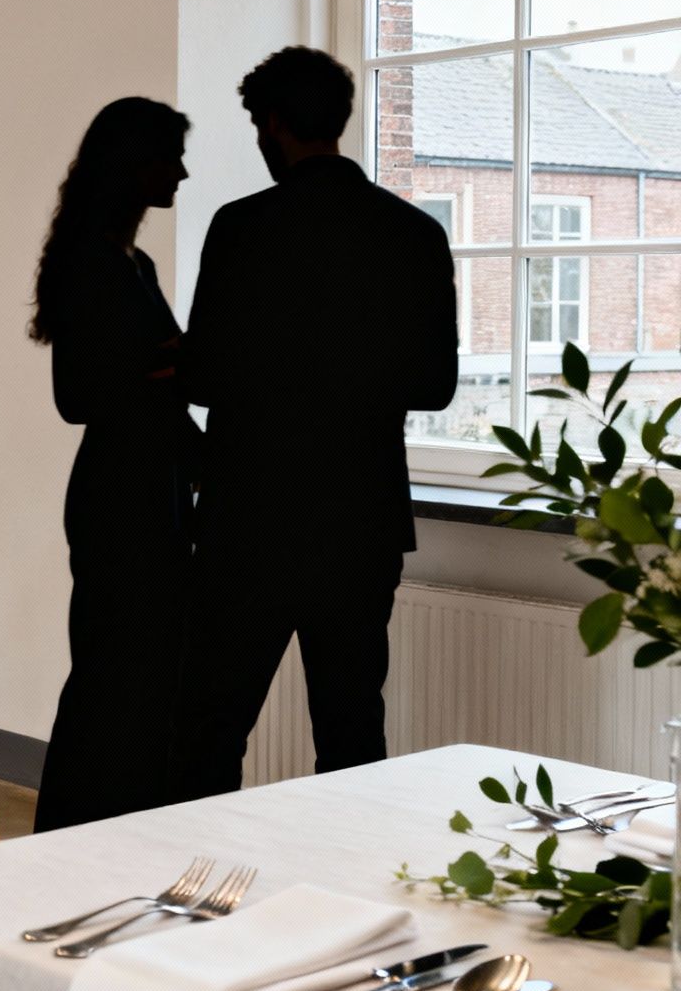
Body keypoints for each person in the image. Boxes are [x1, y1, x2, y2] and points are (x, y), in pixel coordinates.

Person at [174, 47, 458, 800]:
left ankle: (198, 892)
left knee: (211, 728)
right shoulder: (414, 235)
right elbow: (435, 386)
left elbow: (200, 379)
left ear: (272, 125)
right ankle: (349, 899)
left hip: (248, 518)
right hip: (360, 519)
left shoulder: (241, 229)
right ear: (340, 119)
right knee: (351, 730)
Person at [29, 97, 200, 832]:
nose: (184, 173)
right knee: (109, 674)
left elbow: (162, 388)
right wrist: (163, 368)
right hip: (117, 495)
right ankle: (71, 835)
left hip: (154, 489)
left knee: (147, 675)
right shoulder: (93, 264)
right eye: (171, 156)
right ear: (137, 164)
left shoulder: (138, 264)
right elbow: (76, 398)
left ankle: (126, 829)